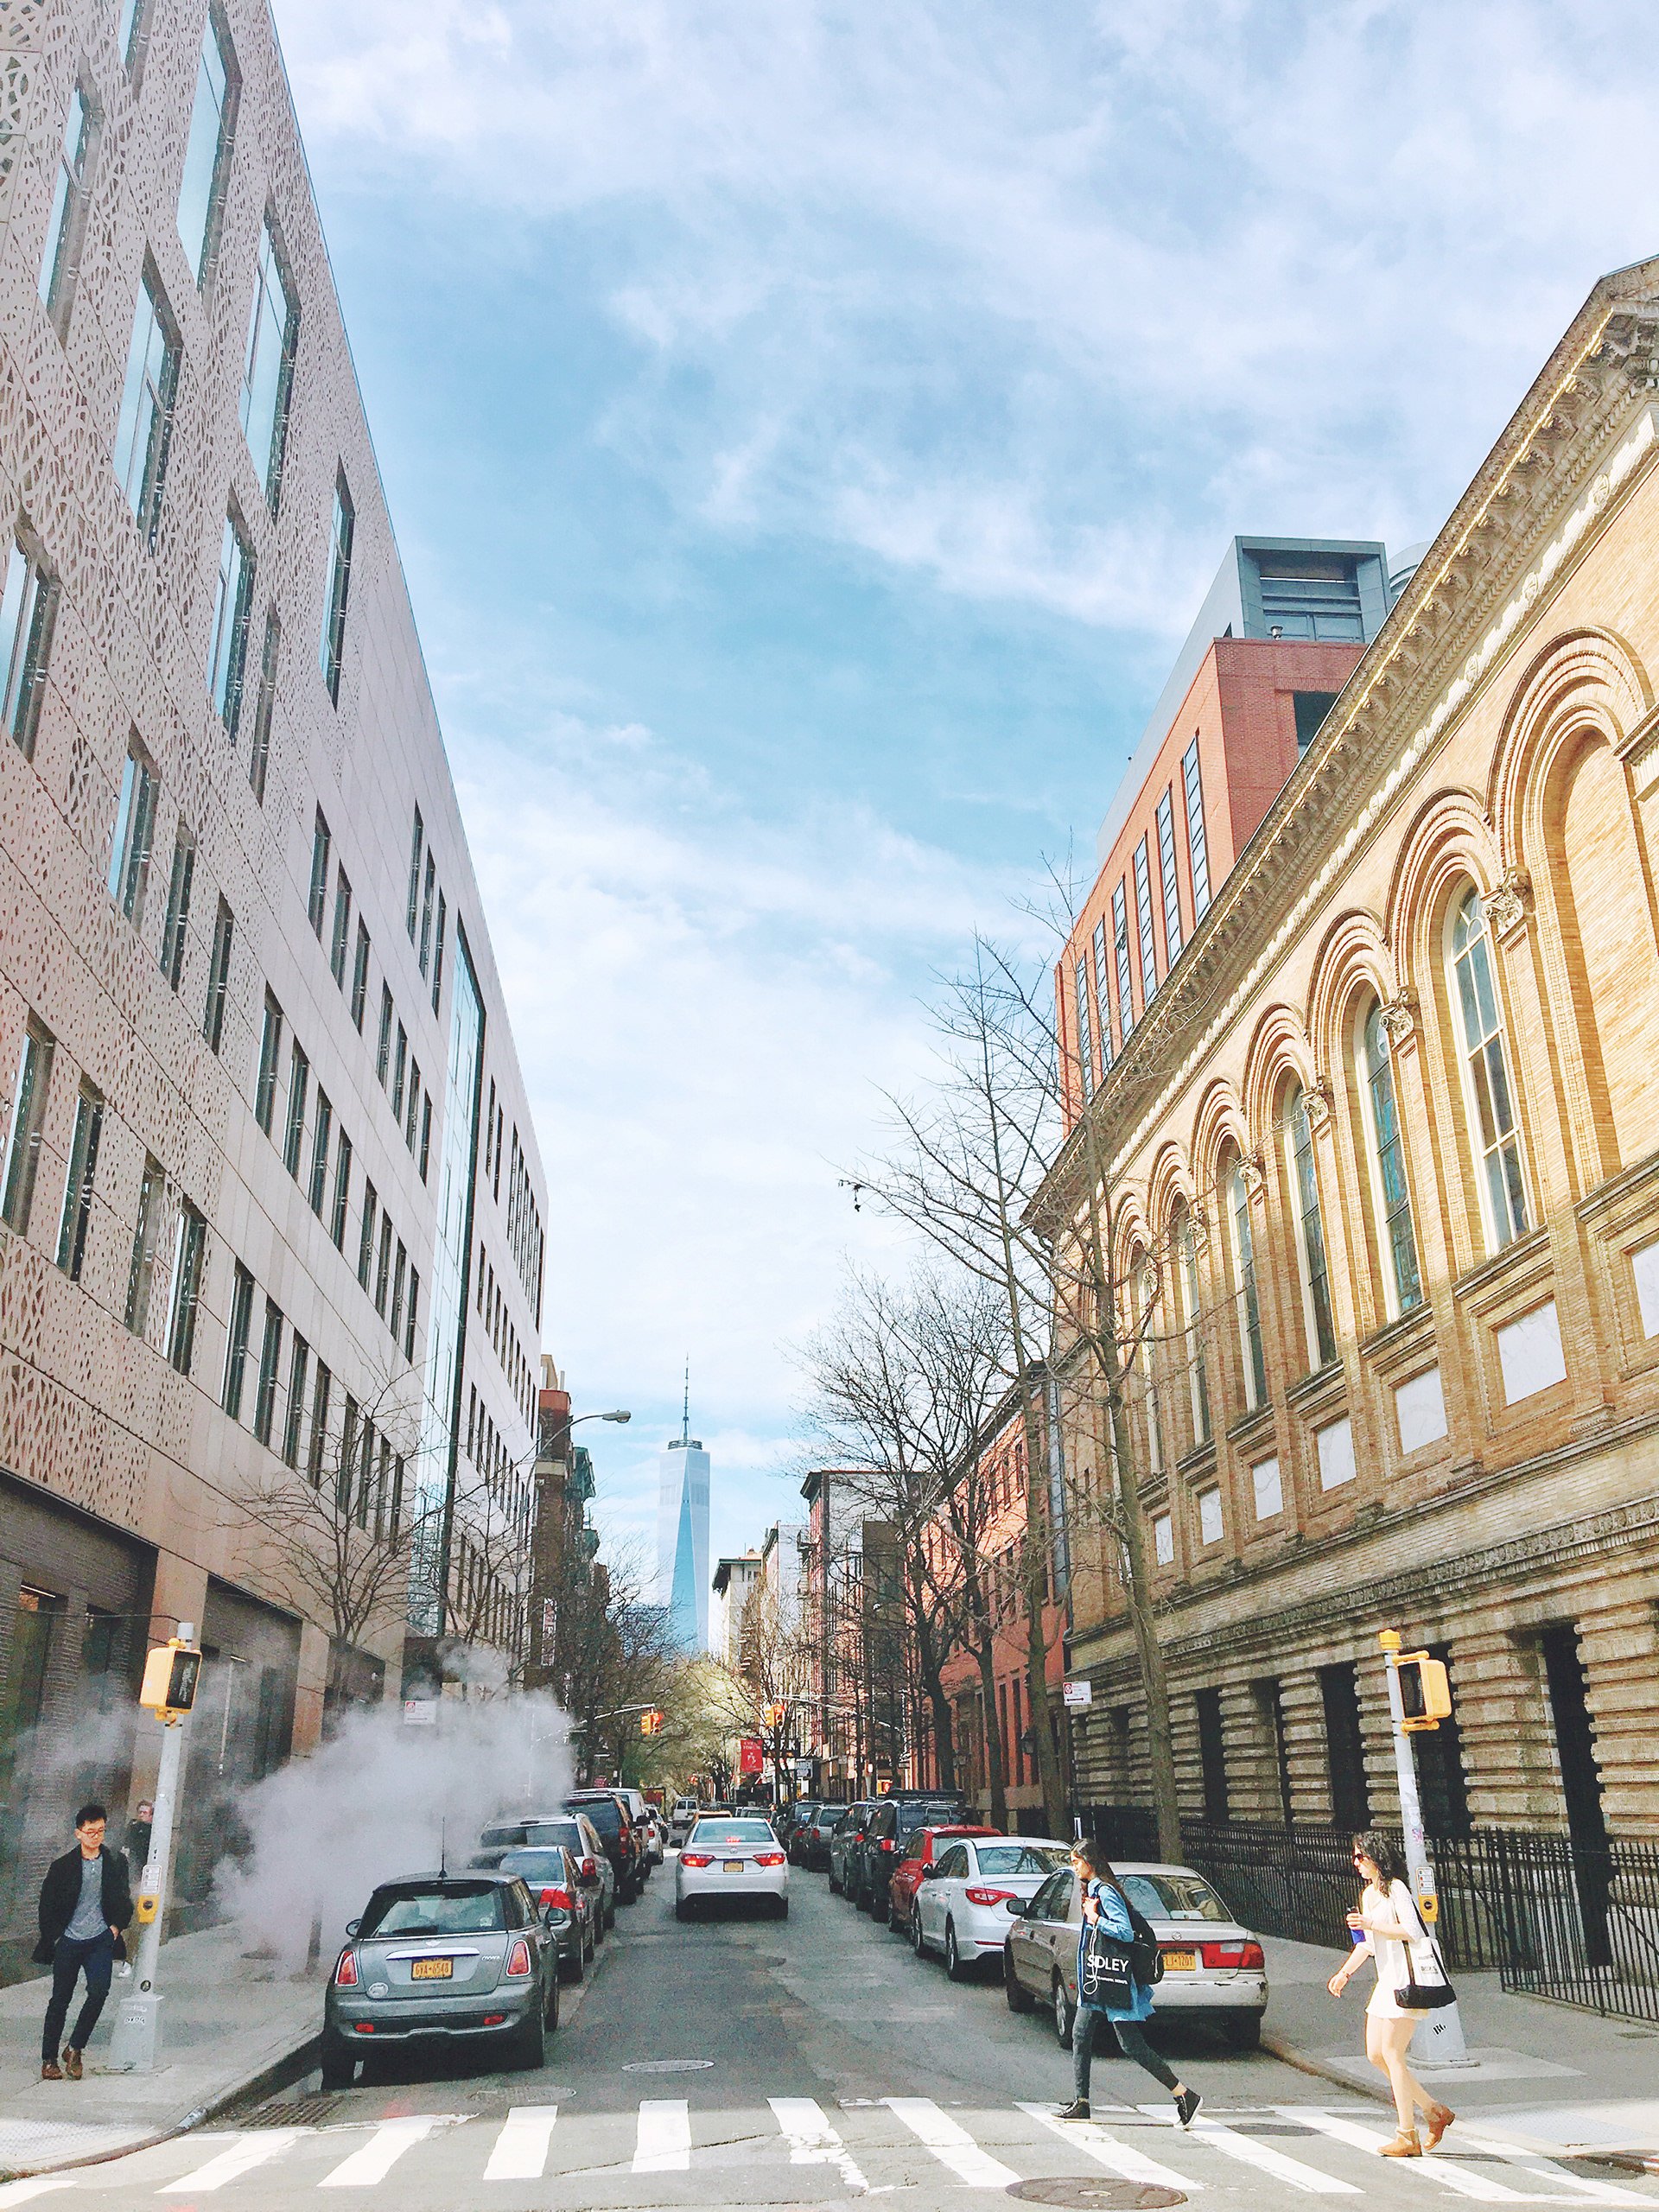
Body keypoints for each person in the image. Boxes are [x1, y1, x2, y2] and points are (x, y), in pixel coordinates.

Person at [1055, 1837, 1201, 2128]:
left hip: (1112, 1980)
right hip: (1096, 1978)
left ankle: (1184, 2095)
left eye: (1076, 1862)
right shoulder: (1095, 1889)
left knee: (1131, 2045)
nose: (1074, 1868)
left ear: (1091, 1862)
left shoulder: (1107, 1892)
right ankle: (1081, 2103)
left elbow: (1123, 1932)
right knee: (1080, 2036)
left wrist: (1095, 1919)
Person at [1326, 1830, 1454, 2155]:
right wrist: (1344, 1972)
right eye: (1354, 1857)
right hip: (1387, 1984)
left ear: (1375, 1857)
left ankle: (1407, 2135)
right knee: (1375, 2054)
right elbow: (1367, 1946)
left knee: (1393, 2054)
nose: (1355, 1863)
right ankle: (1433, 2110)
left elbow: (1411, 1930)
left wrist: (1372, 1924)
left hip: (1406, 1984)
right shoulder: (1368, 1895)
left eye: (1360, 1856)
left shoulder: (1395, 1888)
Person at [34, 1802, 134, 2082]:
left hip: (100, 1939)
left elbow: (124, 1898)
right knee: (60, 2000)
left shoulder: (115, 1862)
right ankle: (49, 2060)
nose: (96, 1837)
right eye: (90, 1831)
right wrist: (54, 1936)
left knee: (100, 1991)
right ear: (78, 1833)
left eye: (101, 1831)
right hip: (68, 1940)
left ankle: (75, 2048)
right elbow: (47, 1905)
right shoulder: (62, 1867)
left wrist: (115, 1926)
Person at [124, 1800, 153, 1882]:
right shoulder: (133, 1827)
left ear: (151, 1815)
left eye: (145, 1813)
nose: (141, 1815)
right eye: (140, 1812)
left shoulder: (154, 1831)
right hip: (134, 1866)